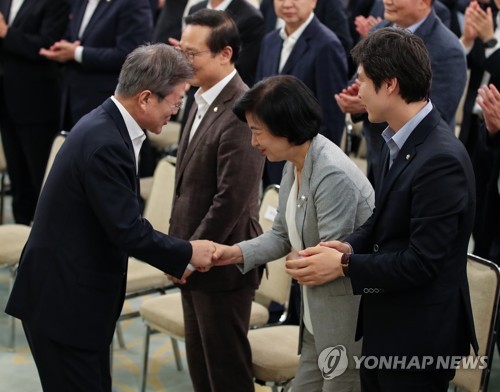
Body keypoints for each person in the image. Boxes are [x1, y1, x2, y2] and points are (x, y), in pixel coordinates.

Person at [5, 43, 214, 392]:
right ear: (146, 98)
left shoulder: (108, 124)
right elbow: (126, 230)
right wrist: (187, 253)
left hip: (73, 296)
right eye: (176, 100)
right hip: (64, 304)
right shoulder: (106, 143)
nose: (178, 110)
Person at [288, 28, 478, 391]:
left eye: (362, 81)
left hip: (417, 339)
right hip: (387, 321)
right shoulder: (396, 138)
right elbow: (383, 219)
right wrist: (349, 246)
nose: (357, 91)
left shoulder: (440, 160)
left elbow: (422, 262)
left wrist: (344, 266)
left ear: (389, 85)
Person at [213, 75, 375, 391]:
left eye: (257, 132)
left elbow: (332, 260)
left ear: (286, 127)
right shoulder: (296, 161)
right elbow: (282, 235)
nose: (252, 142)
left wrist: (300, 263)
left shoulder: (330, 173)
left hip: (344, 324)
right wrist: (231, 253)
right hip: (315, 319)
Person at [167, 10, 264, 392]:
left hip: (220, 261)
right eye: (182, 51)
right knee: (201, 370)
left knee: (225, 372)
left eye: (192, 54)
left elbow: (232, 197)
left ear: (225, 54)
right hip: (191, 254)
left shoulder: (242, 108)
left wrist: (191, 255)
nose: (183, 61)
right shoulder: (199, 96)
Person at [336, 0, 467, 186]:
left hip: (418, 162)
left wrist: (368, 105)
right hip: (378, 155)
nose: (387, 1)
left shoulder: (448, 49)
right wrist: (355, 99)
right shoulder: (380, 29)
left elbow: (437, 115)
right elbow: (359, 79)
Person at [256, 0, 348, 186]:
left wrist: (314, 168)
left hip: (303, 163)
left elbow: (331, 119)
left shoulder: (327, 45)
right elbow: (258, 99)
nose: (287, 4)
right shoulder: (270, 41)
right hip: (269, 158)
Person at [0, 0, 69, 225]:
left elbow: (46, 46)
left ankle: (44, 239)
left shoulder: (53, 3)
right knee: (17, 178)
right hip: (6, 100)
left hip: (36, 101)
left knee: (41, 177)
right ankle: (20, 241)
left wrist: (7, 33)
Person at [39, 0, 153, 130]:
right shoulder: (80, 3)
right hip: (72, 97)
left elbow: (131, 55)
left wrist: (77, 53)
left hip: (105, 102)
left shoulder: (132, 3)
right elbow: (73, 37)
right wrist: (61, 50)